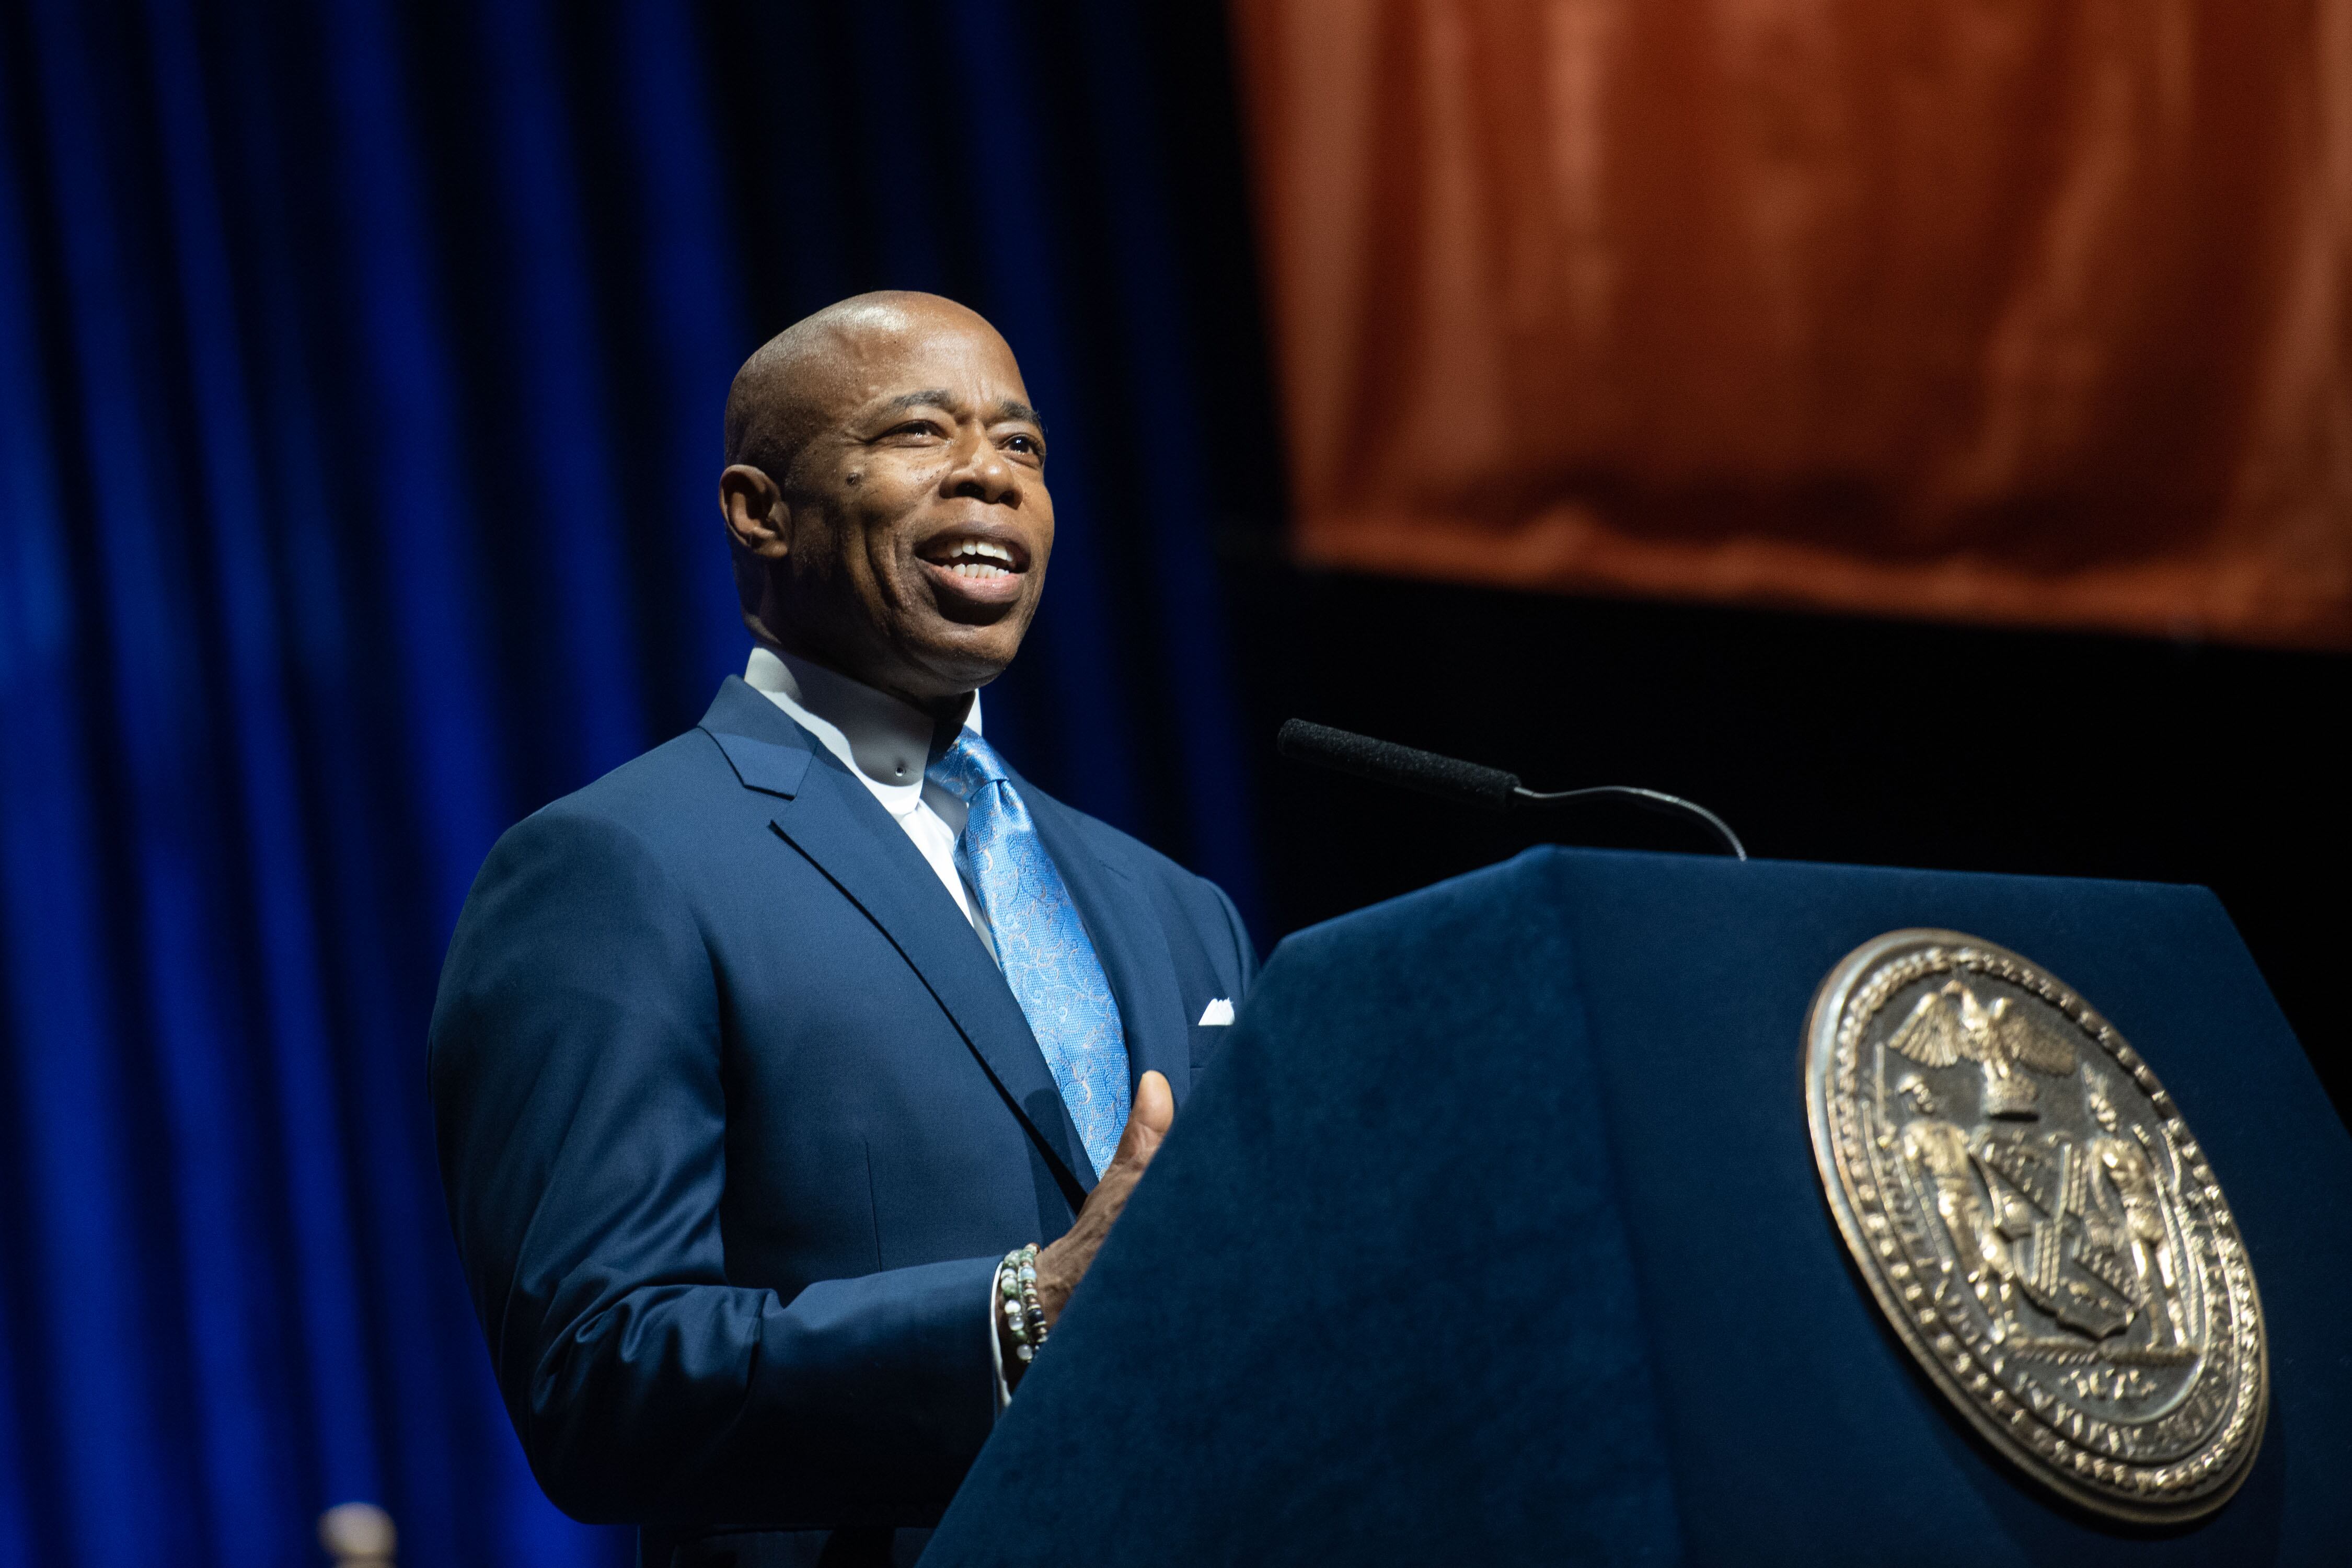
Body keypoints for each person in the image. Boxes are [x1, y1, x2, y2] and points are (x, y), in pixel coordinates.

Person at [429, 292, 1258, 1567]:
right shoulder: (616, 869)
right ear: (761, 509)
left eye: (1023, 447)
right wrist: (1013, 1316)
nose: (990, 472)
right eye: (921, 432)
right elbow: (595, 1378)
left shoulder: (1174, 905)